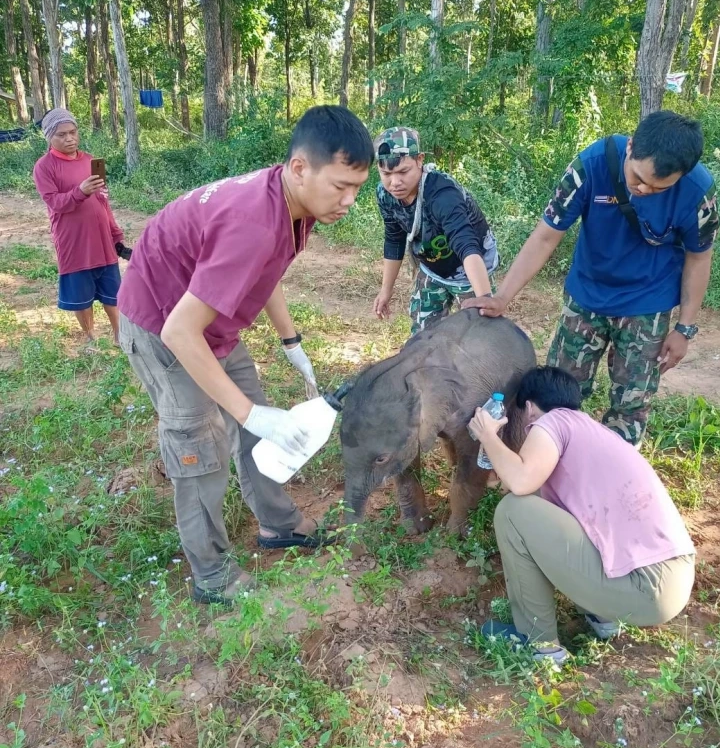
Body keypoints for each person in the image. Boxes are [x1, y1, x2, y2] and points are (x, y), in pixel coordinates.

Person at [117, 105, 373, 604]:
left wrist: (290, 340)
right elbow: (179, 331)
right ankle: (212, 577)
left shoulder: (296, 204)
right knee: (201, 448)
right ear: (299, 167)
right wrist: (251, 414)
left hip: (208, 324)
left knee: (254, 425)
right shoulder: (253, 221)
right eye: (341, 185)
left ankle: (278, 524)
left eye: (357, 188)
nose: (349, 200)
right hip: (162, 326)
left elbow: (266, 271)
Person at [463, 111, 719, 445]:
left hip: (648, 305)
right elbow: (546, 236)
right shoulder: (591, 165)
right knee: (555, 396)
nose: (644, 190)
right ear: (630, 148)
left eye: (659, 188)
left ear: (683, 175)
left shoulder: (699, 194)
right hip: (585, 298)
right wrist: (502, 297)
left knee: (631, 404)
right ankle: (546, 471)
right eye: (638, 179)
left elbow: (699, 259)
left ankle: (608, 479)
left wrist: (684, 328)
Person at [469, 366, 696, 664]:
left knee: (513, 512)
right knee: (545, 513)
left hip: (645, 586)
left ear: (530, 409)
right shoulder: (592, 433)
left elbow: (520, 482)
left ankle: (540, 646)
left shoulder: (553, 422)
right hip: (670, 582)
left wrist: (488, 436)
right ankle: (602, 616)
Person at [371, 126, 499, 333]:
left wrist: (484, 299)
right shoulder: (386, 195)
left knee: (479, 336)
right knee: (422, 338)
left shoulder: (442, 194)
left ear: (420, 160)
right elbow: (394, 239)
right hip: (432, 268)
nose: (395, 183)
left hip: (469, 270)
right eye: (386, 173)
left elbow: (466, 244)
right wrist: (386, 291)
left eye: (403, 171)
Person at [33, 108, 129, 346]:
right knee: (81, 296)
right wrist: (80, 192)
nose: (70, 139)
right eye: (62, 135)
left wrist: (115, 234)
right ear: (49, 137)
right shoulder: (44, 167)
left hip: (101, 237)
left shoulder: (90, 161)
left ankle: (120, 335)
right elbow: (55, 203)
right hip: (72, 240)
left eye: (73, 132)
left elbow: (103, 202)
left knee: (112, 291)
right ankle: (90, 339)